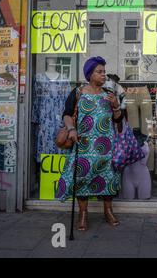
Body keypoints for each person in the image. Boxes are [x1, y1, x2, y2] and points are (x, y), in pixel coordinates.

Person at [55, 56, 123, 231]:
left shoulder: (109, 94)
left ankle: (108, 211)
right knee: (81, 178)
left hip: (106, 145)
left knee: (108, 177)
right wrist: (71, 129)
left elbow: (118, 120)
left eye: (104, 72)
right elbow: (67, 114)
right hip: (83, 144)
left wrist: (116, 107)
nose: (103, 75)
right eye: (99, 72)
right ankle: (83, 213)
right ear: (89, 74)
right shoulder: (78, 92)